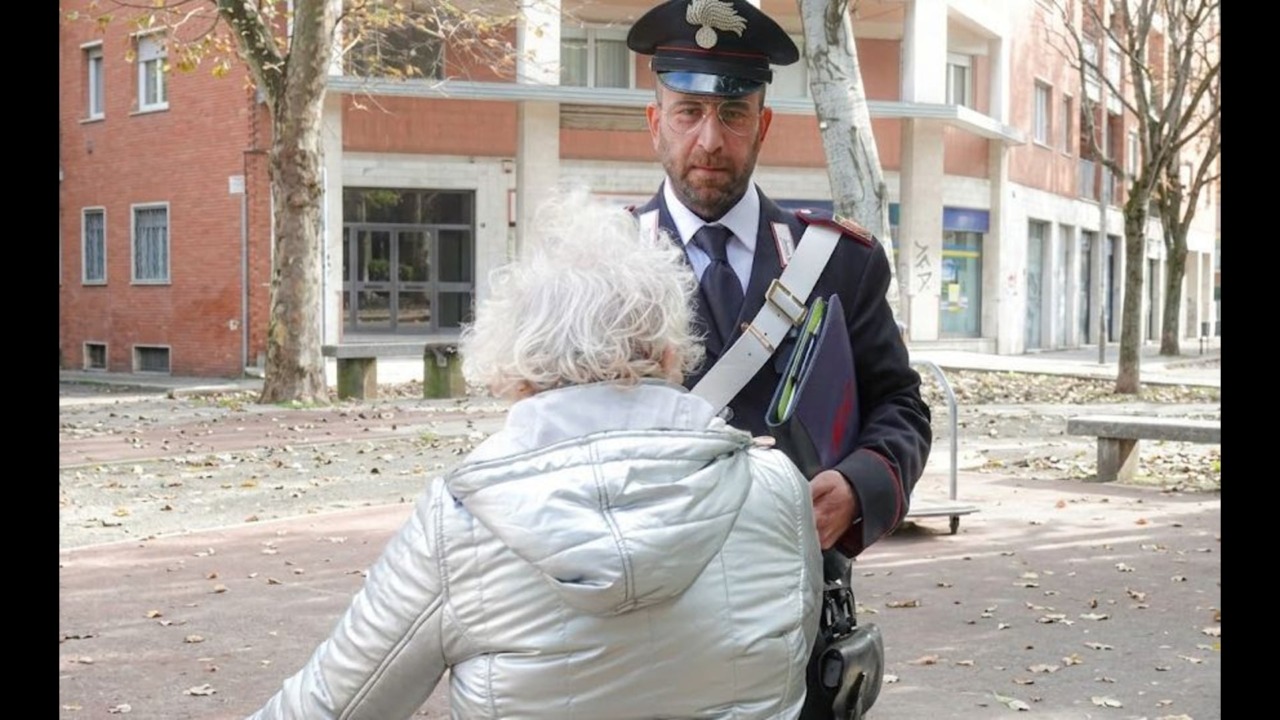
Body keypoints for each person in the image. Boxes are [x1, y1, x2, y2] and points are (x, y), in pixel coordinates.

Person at [245, 190, 824, 720]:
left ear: (517, 367)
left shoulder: (460, 521)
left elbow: (331, 705)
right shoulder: (776, 487)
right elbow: (789, 657)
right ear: (672, 353)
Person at [626, 2, 933, 715]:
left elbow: (901, 406)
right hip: (642, 615)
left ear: (762, 125)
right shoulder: (598, 266)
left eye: (733, 116)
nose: (710, 139)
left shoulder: (836, 263)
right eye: (688, 112)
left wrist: (861, 485)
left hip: (792, 610)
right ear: (654, 122)